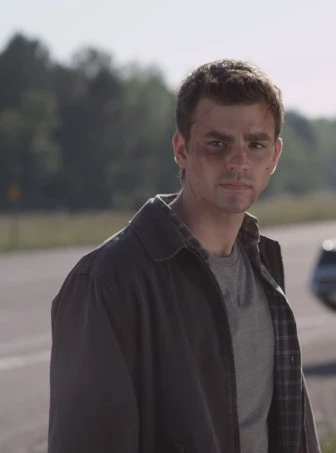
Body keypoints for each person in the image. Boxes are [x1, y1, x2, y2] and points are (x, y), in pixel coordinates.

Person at [48, 59, 321, 453]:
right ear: (181, 149)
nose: (238, 161)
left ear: (274, 156)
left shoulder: (263, 264)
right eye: (217, 143)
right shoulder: (107, 281)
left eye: (256, 144)